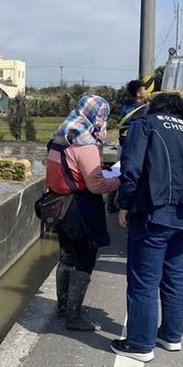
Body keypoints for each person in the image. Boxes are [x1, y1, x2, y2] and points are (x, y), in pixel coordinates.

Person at [111, 93, 183, 363]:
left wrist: (124, 204)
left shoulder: (146, 125)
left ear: (154, 108)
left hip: (155, 212)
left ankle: (140, 344)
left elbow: (131, 168)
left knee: (144, 281)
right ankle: (171, 336)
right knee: (175, 276)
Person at [46, 95, 120, 331]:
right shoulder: (84, 141)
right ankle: (74, 317)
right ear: (97, 116)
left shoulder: (61, 135)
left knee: (66, 256)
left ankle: (63, 306)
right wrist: (119, 180)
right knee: (85, 259)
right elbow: (96, 185)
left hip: (59, 204)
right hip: (81, 207)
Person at [106, 79, 151, 212]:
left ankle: (111, 201)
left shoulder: (125, 106)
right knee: (134, 172)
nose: (147, 92)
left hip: (123, 143)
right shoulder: (144, 108)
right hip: (135, 145)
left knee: (121, 171)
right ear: (138, 93)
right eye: (144, 90)